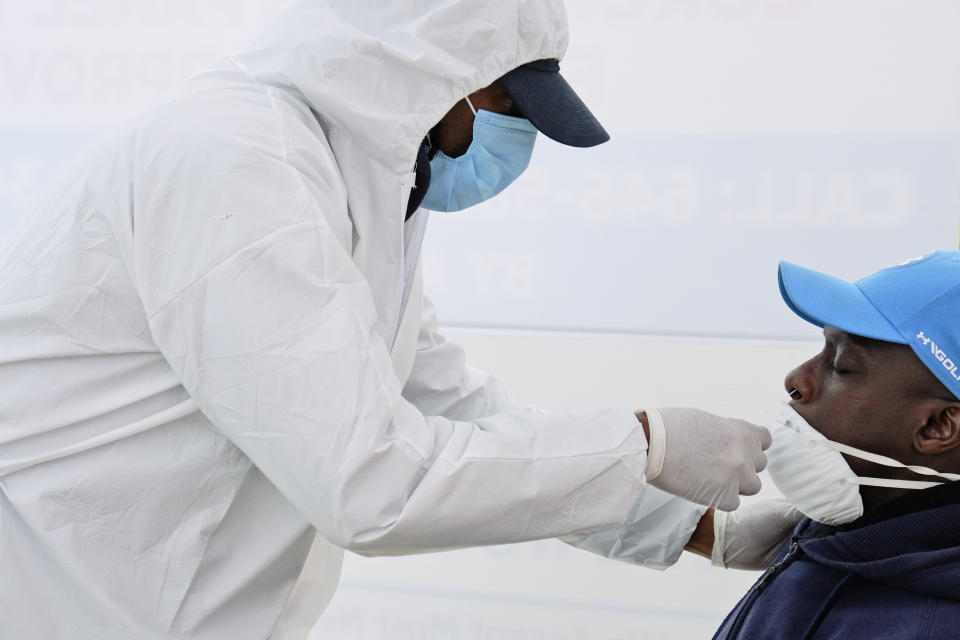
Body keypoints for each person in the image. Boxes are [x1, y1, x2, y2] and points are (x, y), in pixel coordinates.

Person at [0, 1, 779, 638]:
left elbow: (454, 410)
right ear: (420, 73)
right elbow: (370, 484)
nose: (515, 137)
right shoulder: (238, 168)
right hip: (68, 602)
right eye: (506, 101)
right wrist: (647, 442)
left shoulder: (354, 194)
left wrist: (697, 528)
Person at [706, 252, 960, 639]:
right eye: (824, 346)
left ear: (938, 426)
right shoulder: (862, 532)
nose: (796, 378)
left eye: (842, 365)